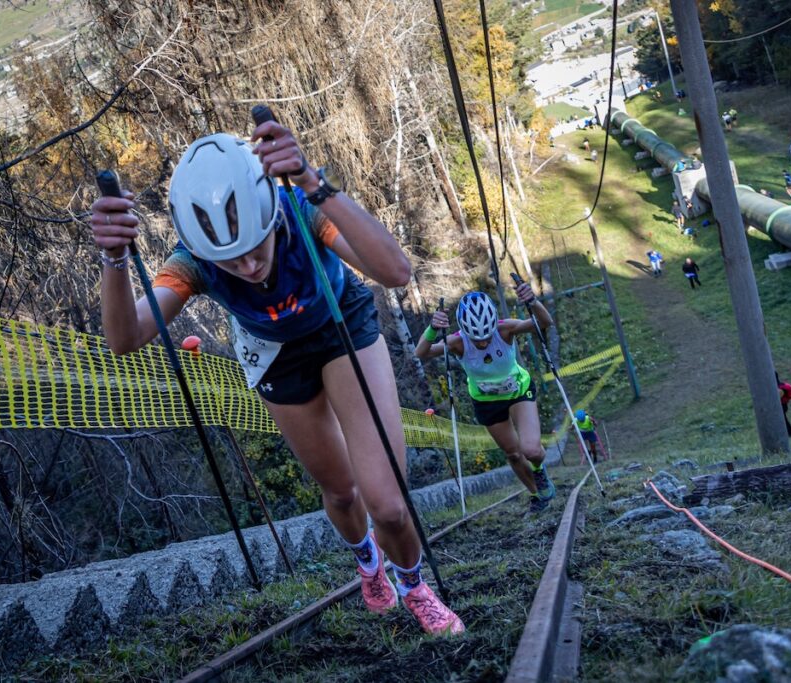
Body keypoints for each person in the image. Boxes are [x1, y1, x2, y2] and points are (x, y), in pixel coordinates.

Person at [89, 125, 464, 635]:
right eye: (229, 258)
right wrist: (115, 258)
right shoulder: (191, 262)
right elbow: (126, 338)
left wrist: (315, 184)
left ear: (269, 211)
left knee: (389, 504)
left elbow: (397, 272)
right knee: (341, 492)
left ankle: (415, 586)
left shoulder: (300, 209)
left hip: (340, 324)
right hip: (274, 356)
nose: (245, 265)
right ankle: (368, 563)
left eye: (254, 245)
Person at [415, 285, 557, 515]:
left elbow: (544, 322)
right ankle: (535, 493)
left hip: (518, 391)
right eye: (476, 339)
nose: (482, 343)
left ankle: (539, 471)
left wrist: (533, 302)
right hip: (487, 402)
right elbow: (421, 353)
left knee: (531, 450)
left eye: (486, 337)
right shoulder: (457, 342)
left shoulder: (504, 329)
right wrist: (432, 328)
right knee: (512, 453)